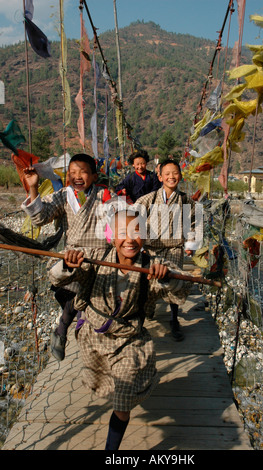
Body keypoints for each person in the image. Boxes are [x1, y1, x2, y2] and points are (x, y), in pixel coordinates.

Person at [48, 208, 191, 450]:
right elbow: (56, 278)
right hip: (94, 336)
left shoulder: (153, 266)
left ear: (144, 238)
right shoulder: (95, 258)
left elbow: (182, 289)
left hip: (129, 339)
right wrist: (67, 264)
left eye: (137, 232)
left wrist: (168, 278)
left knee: (122, 400)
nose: (129, 239)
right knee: (100, 384)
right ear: (112, 237)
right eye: (122, 233)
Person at [21, 153, 111, 361]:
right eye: (72, 173)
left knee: (97, 304)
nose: (77, 176)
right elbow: (39, 218)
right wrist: (33, 186)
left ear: (94, 176)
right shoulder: (63, 195)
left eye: (83, 172)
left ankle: (72, 336)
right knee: (73, 291)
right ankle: (63, 332)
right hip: (73, 256)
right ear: (68, 176)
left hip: (100, 257)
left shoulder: (104, 195)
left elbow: (118, 222)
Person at [134, 159, 203, 341]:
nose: (171, 177)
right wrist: (136, 245)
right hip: (151, 252)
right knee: (147, 286)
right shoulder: (147, 200)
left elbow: (195, 223)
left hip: (174, 250)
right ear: (160, 177)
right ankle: (142, 316)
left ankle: (174, 319)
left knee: (173, 284)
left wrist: (190, 244)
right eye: (167, 174)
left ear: (180, 176)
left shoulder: (187, 201)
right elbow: (134, 220)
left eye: (175, 173)